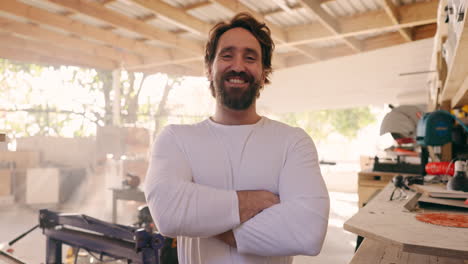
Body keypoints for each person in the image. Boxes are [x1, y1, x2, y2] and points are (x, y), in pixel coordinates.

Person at [144, 12, 330, 264]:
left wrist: (204, 219)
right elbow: (167, 214)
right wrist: (254, 202)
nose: (238, 66)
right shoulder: (176, 139)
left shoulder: (293, 142)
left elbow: (309, 232)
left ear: (264, 73)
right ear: (209, 69)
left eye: (250, 58)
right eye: (227, 55)